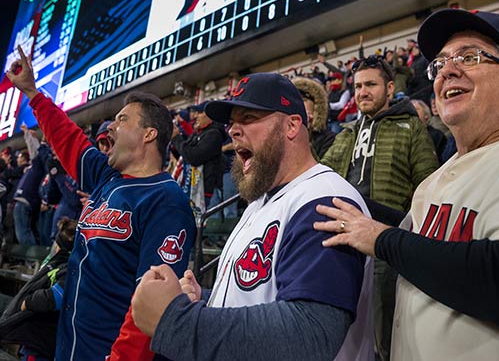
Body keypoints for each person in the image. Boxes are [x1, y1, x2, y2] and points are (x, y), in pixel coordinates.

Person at [314, 9, 499, 361]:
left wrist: (380, 239)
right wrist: (344, 198)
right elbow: (424, 244)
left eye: (469, 57)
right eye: (439, 64)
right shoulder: (432, 182)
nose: (447, 70)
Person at [131, 73, 374, 361]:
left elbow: (311, 334)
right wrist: (207, 298)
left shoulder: (324, 198)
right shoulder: (261, 201)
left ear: (292, 125)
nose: (233, 130)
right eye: (232, 121)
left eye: (248, 117)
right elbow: (257, 295)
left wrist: (179, 322)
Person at [6, 45, 196, 361]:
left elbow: (151, 305)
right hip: (68, 345)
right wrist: (32, 93)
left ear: (149, 134)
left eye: (122, 120)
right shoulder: (107, 175)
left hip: (105, 352)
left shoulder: (167, 201)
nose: (110, 127)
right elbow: (69, 140)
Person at [321, 54, 438, 361]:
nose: (362, 92)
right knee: (344, 329)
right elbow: (321, 176)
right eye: (358, 86)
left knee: (385, 331)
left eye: (370, 84)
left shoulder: (411, 127)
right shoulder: (346, 132)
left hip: (387, 241)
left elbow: (429, 187)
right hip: (344, 241)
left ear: (389, 88)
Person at [0, 217, 77, 361]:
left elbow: (54, 298)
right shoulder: (55, 264)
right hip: (33, 339)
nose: (54, 247)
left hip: (43, 340)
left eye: (57, 243)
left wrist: (27, 302)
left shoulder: (69, 270)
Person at [292, 76, 336, 159]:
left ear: (316, 106)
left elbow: (324, 168)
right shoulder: (283, 138)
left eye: (303, 100)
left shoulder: (330, 139)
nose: (299, 105)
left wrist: (305, 133)